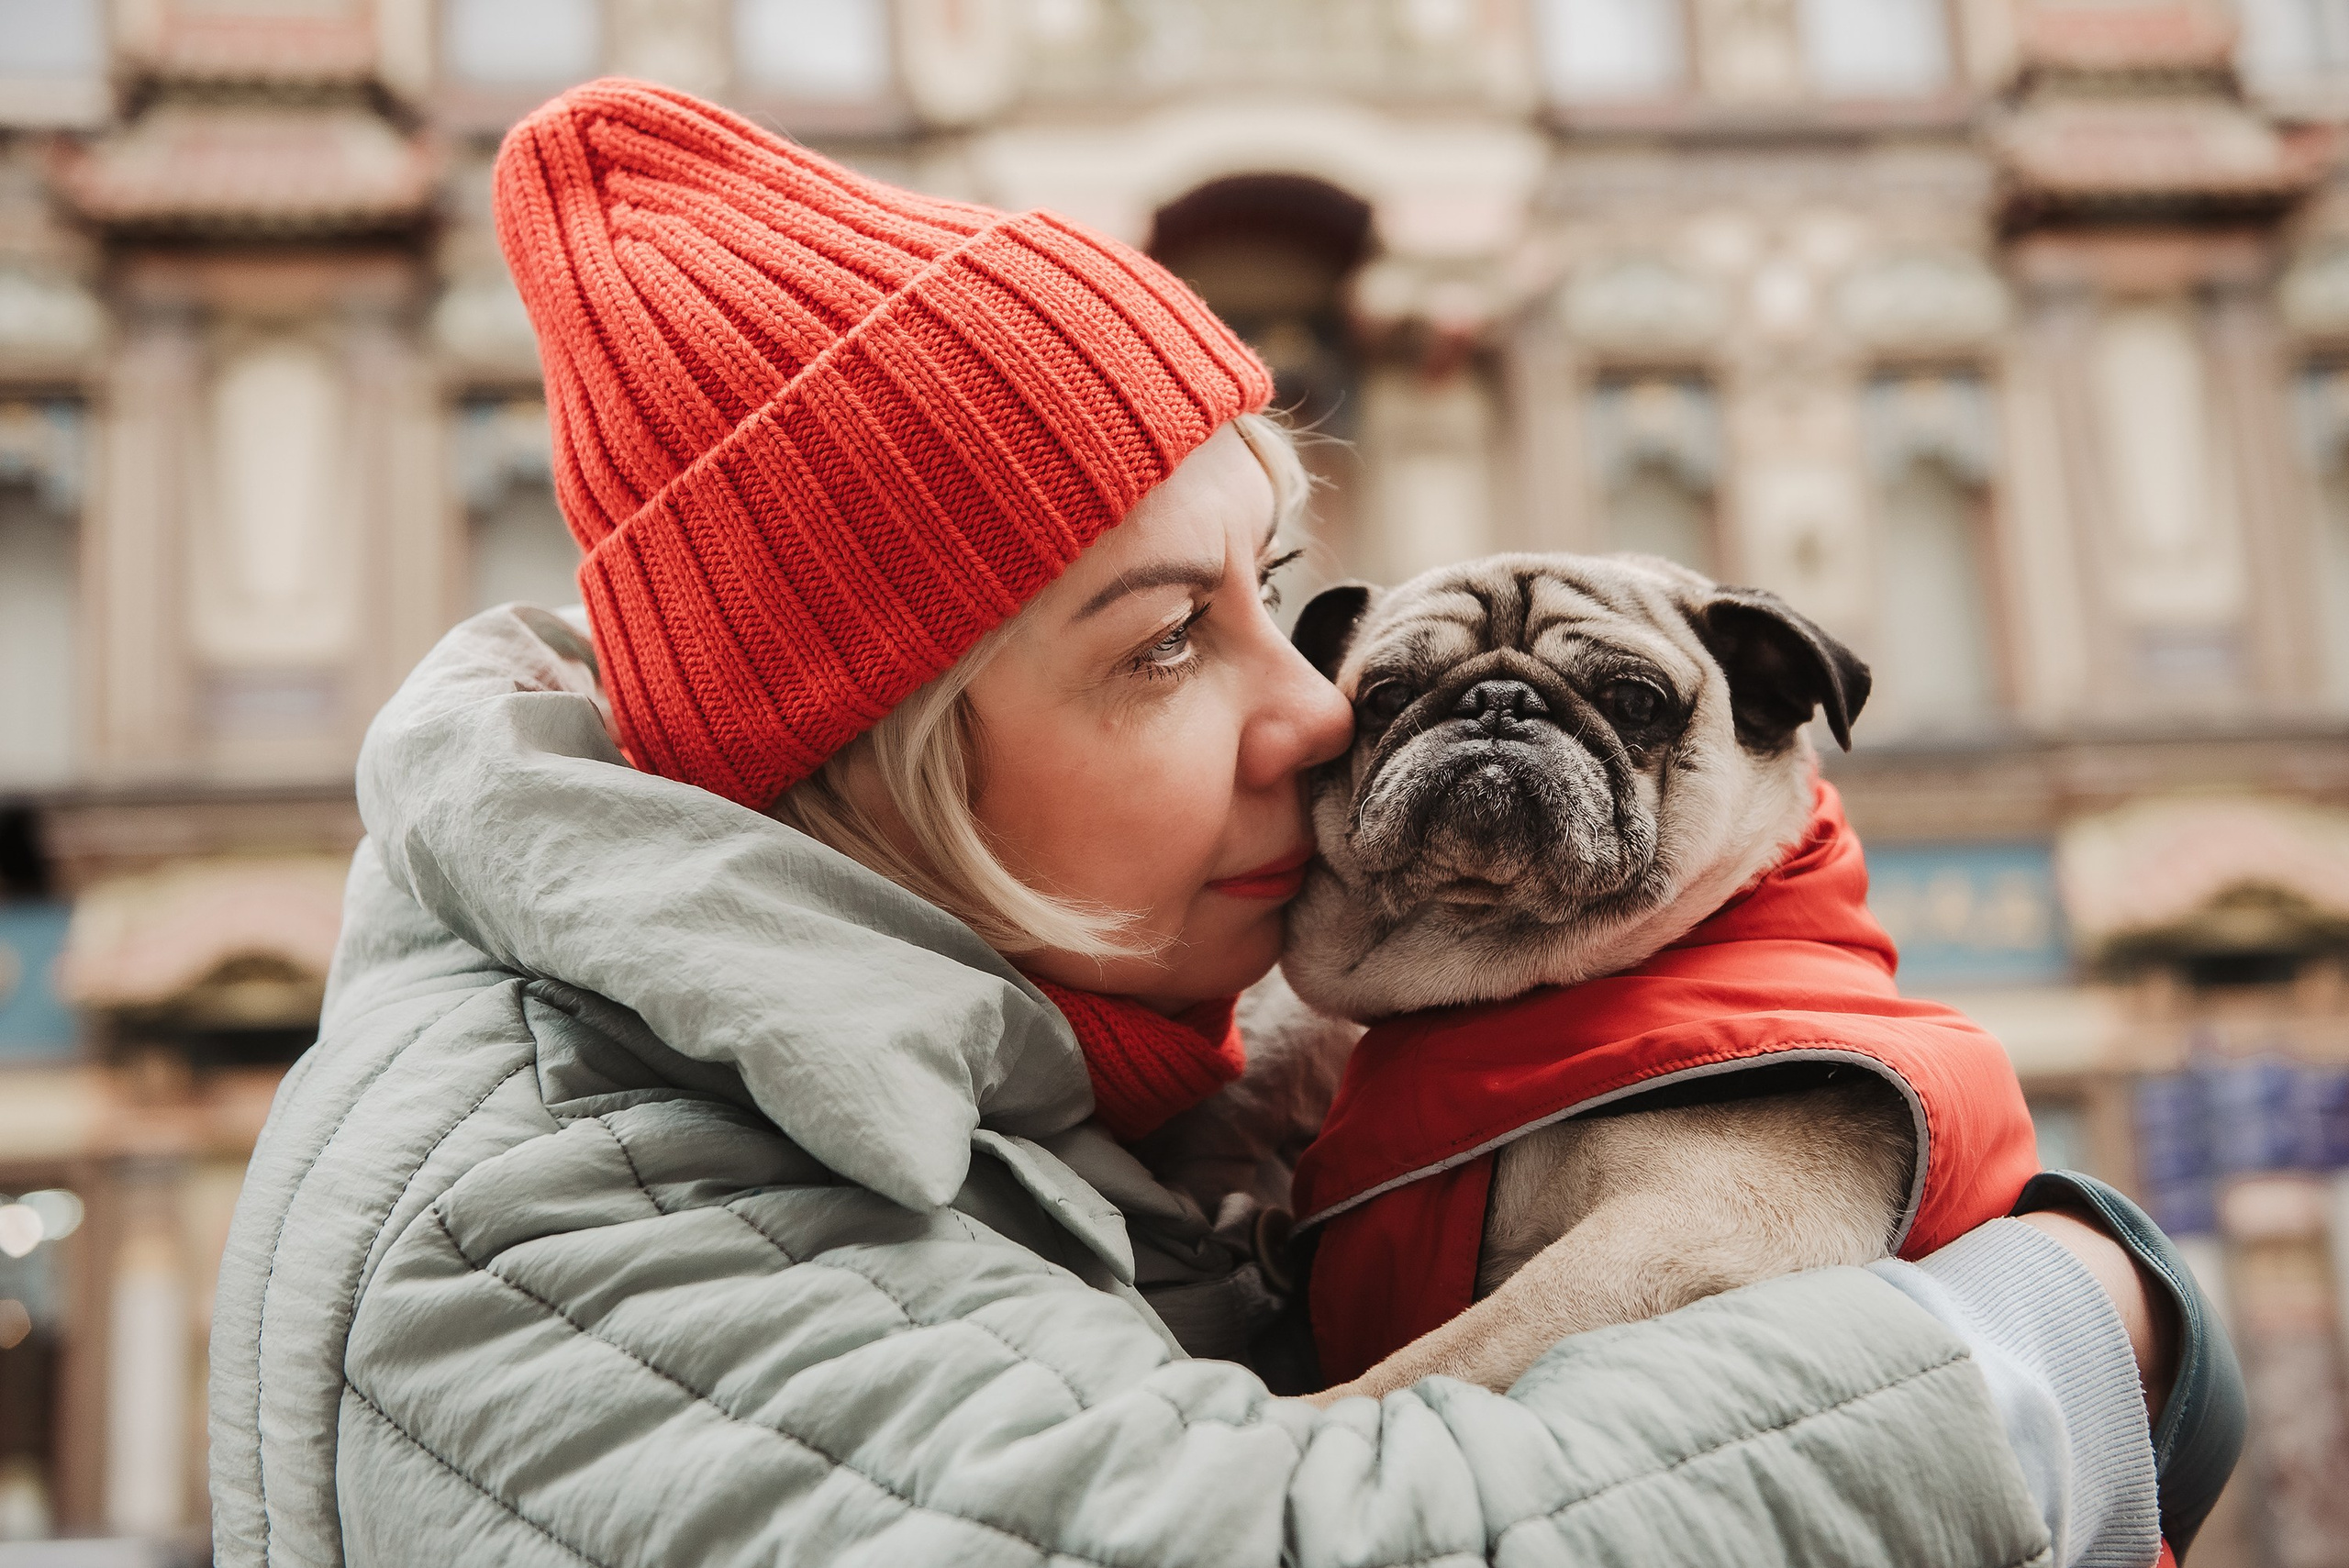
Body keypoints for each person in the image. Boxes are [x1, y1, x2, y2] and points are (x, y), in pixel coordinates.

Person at [208, 79, 2232, 1568]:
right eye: (1171, 641)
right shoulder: (559, 1203)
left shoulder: (1072, 1103)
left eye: (1277, 588)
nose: (1316, 707)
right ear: (874, 757)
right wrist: (2049, 1334)